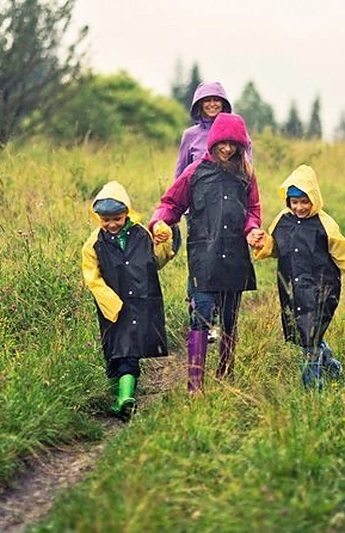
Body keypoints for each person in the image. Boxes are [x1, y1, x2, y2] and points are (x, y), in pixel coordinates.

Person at [150, 113, 264, 394]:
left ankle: (225, 374)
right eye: (222, 143)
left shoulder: (246, 174)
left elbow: (253, 210)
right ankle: (194, 385)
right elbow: (171, 204)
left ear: (241, 145)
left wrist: (252, 230)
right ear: (212, 142)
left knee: (229, 319)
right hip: (204, 256)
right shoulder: (194, 172)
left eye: (234, 144)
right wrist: (160, 222)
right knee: (200, 313)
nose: (227, 149)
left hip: (235, 256)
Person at [254, 164, 345, 389]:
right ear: (288, 201)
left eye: (305, 201)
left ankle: (313, 390)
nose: (300, 207)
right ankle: (331, 364)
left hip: (321, 289)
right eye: (295, 202)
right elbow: (276, 246)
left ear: (314, 199)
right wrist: (262, 243)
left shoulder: (325, 224)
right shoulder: (282, 220)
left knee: (309, 336)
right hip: (291, 288)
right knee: (304, 334)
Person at [82, 181, 175, 420]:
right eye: (106, 220)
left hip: (141, 301)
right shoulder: (94, 243)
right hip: (112, 307)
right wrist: (109, 301)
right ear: (98, 218)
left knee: (130, 351)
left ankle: (126, 398)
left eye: (117, 218)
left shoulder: (142, 234)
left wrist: (164, 242)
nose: (112, 224)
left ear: (127, 213)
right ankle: (117, 398)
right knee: (114, 351)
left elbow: (156, 262)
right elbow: (92, 277)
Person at [172, 81, 253, 344]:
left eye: (216, 100)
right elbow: (181, 174)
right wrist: (182, 210)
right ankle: (200, 311)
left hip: (228, 214)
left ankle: (217, 316)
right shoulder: (190, 136)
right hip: (199, 212)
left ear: (224, 104)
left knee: (225, 267)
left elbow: (246, 173)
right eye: (206, 101)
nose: (212, 104)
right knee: (202, 263)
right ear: (198, 105)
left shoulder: (239, 135)